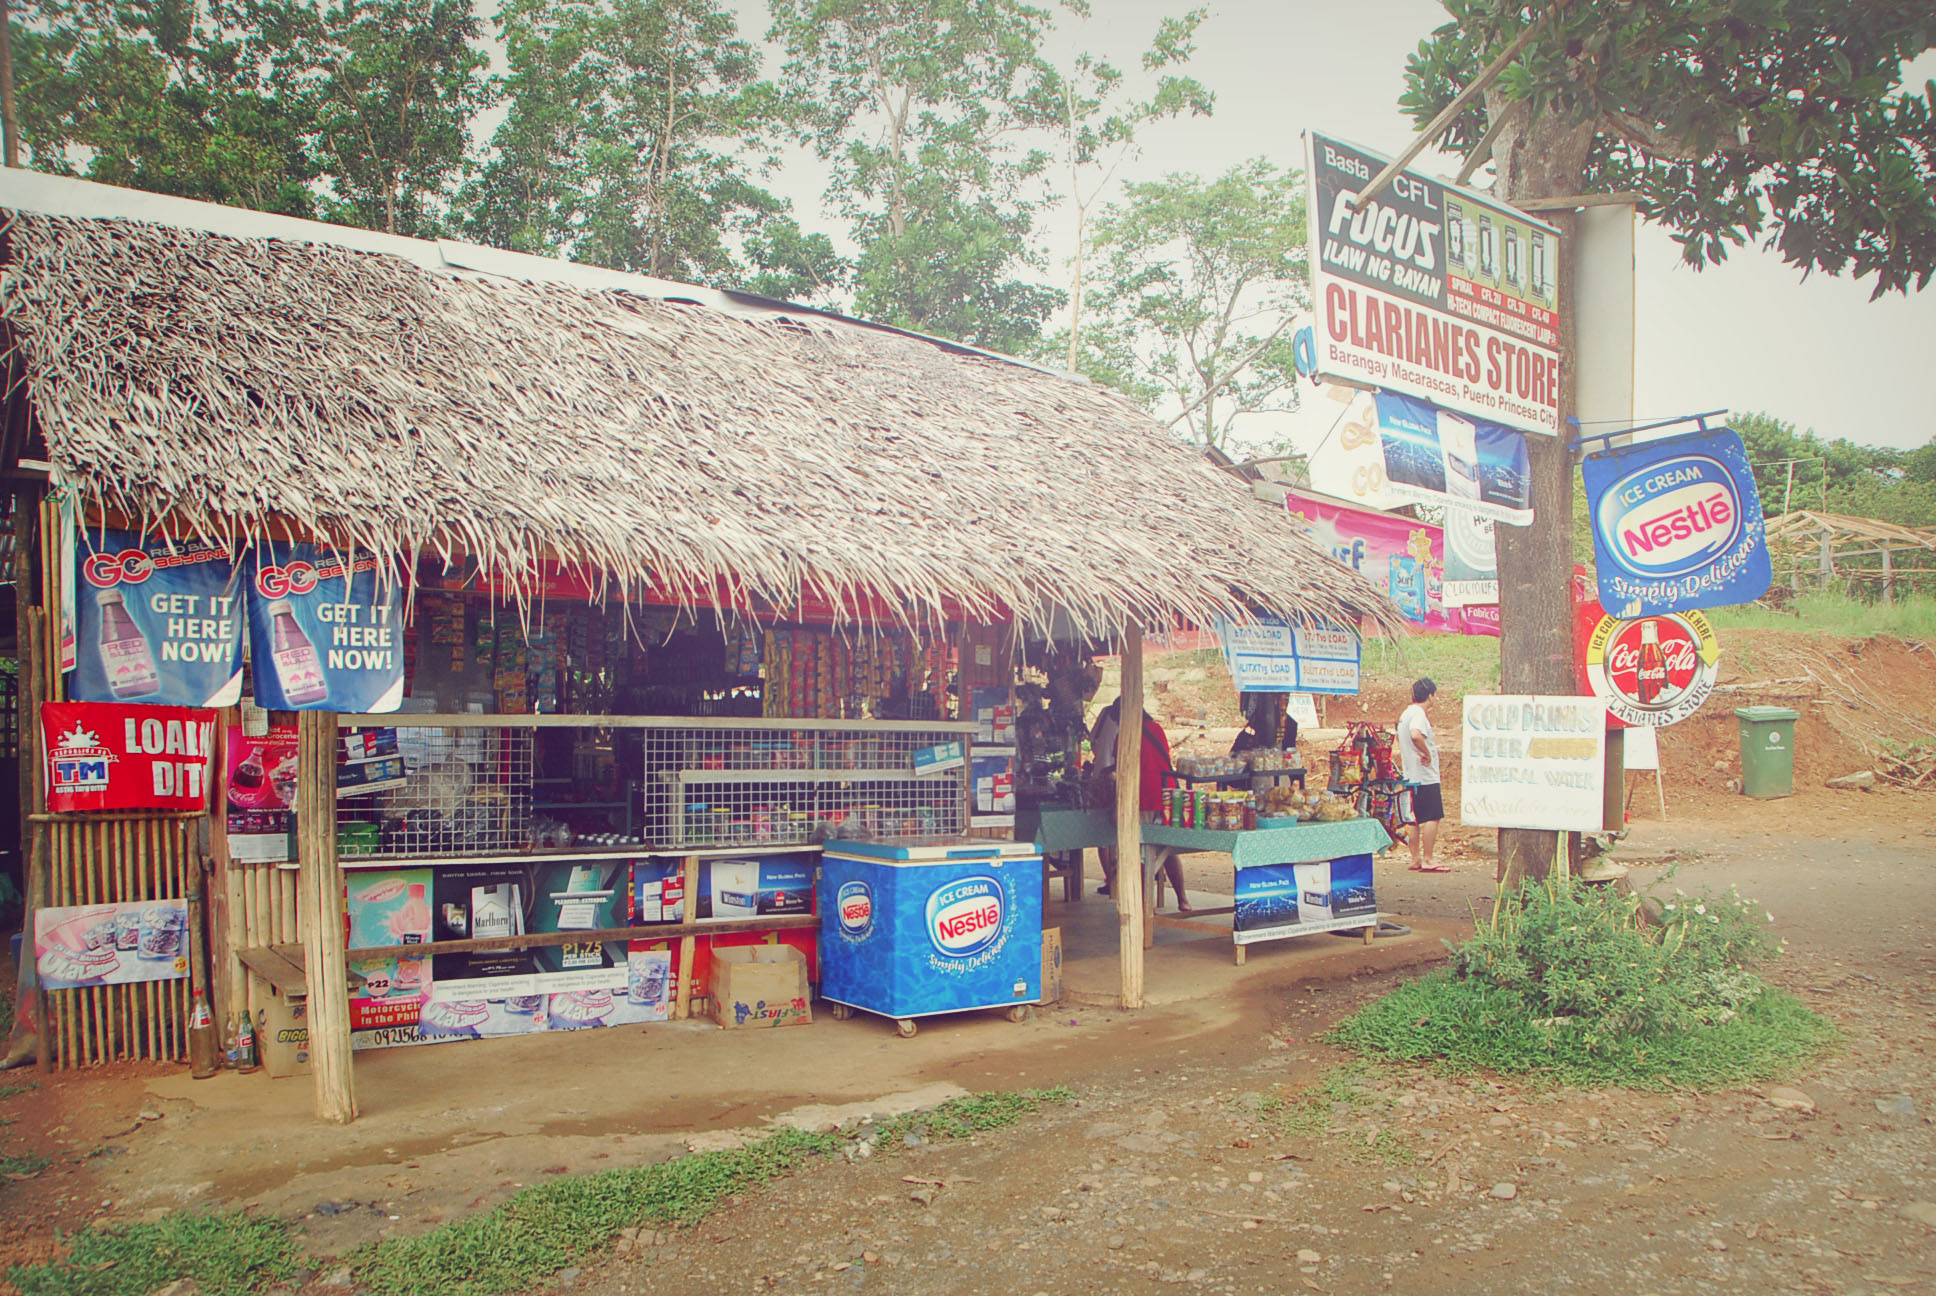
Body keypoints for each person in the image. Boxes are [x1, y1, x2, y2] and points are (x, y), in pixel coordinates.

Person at [1089, 698, 1189, 912]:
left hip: (1144, 797)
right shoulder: (1157, 729)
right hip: (1166, 795)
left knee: (1140, 851)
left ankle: (1146, 905)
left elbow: (1123, 767)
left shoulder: (1127, 734)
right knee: (1167, 849)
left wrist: (1107, 775)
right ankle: (1183, 899)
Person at [1395, 677, 1447, 872]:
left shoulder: (1405, 713)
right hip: (1425, 775)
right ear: (1430, 696)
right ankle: (1428, 858)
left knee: (1414, 818)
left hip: (1410, 773)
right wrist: (1427, 753)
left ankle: (1415, 858)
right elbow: (1416, 734)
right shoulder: (1418, 715)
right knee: (1433, 816)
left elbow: (1403, 736)